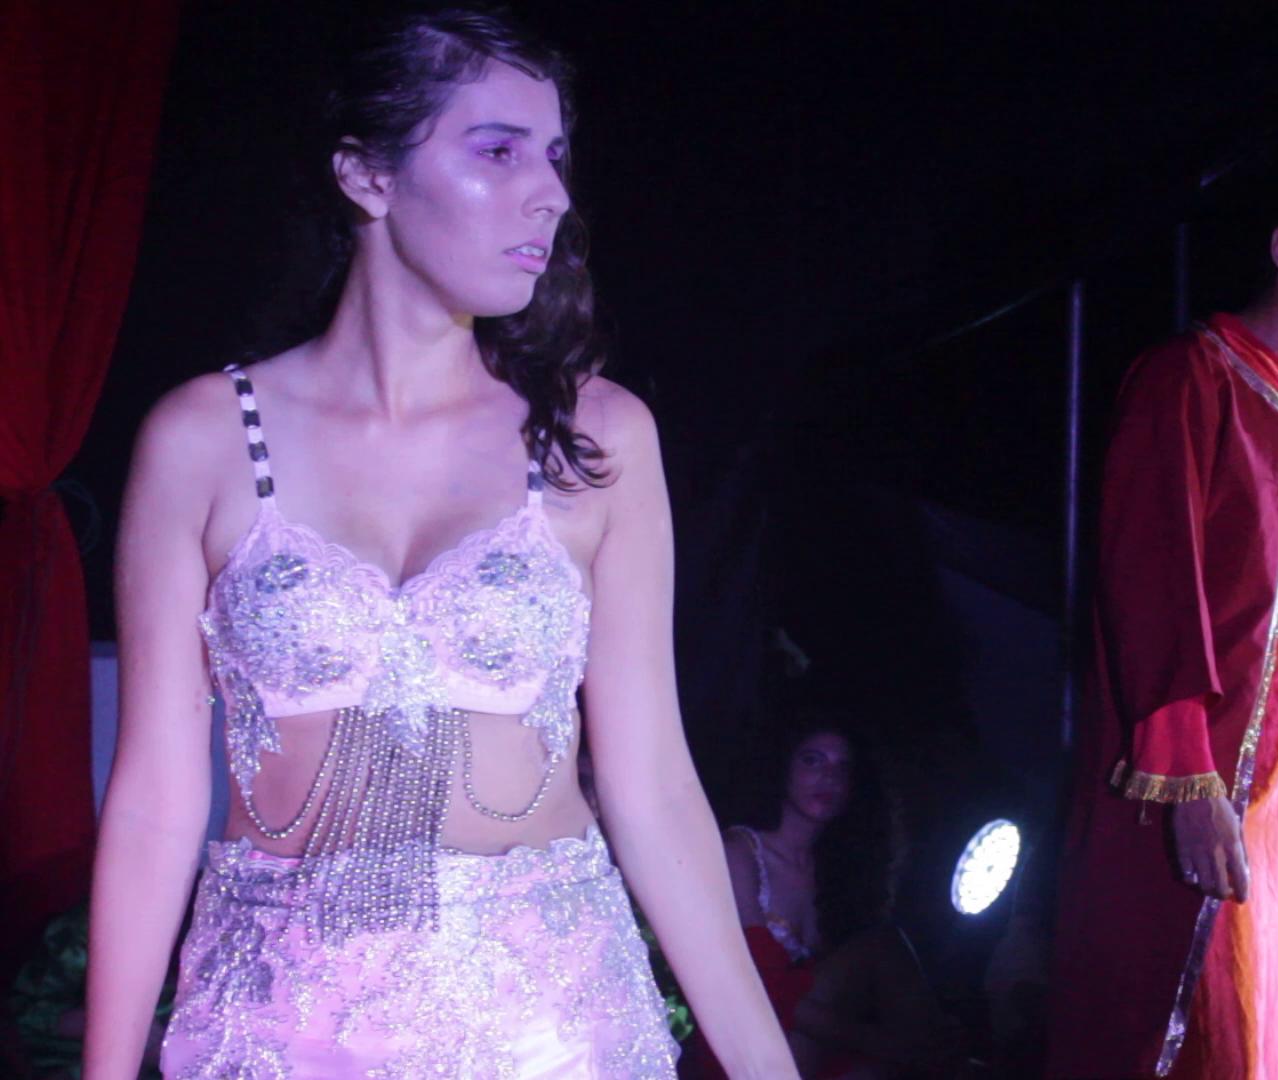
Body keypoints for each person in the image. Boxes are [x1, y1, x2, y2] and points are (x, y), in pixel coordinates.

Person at [83, 10, 795, 1078]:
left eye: (553, 156)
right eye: (497, 150)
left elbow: (652, 789)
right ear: (367, 175)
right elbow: (153, 804)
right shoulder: (202, 440)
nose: (548, 193)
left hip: (551, 1030)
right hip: (274, 1029)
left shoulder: (598, 437)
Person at [1047, 150, 1278, 1079]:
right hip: (1201, 760)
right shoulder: (1190, 378)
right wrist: (1189, 780)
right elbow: (1150, 586)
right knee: (1196, 1014)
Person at [682, 717, 954, 1078]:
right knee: (882, 947)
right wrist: (880, 1042)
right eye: (813, 761)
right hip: (748, 1040)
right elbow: (758, 988)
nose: (829, 778)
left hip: (815, 1046)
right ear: (783, 766)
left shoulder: (839, 872)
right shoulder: (741, 852)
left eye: (843, 768)